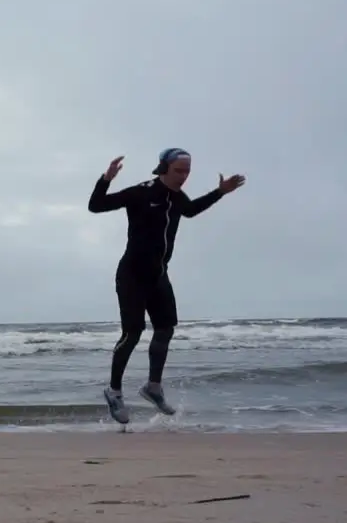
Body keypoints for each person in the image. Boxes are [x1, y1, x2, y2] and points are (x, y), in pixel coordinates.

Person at [86, 148, 246, 424]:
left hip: (159, 275)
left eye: (187, 172)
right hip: (132, 275)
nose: (183, 177)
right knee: (132, 333)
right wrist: (106, 178)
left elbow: (191, 211)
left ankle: (153, 387)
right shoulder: (142, 192)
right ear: (163, 168)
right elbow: (96, 205)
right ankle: (114, 391)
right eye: (178, 171)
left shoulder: (177, 197)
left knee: (165, 329)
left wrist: (220, 192)